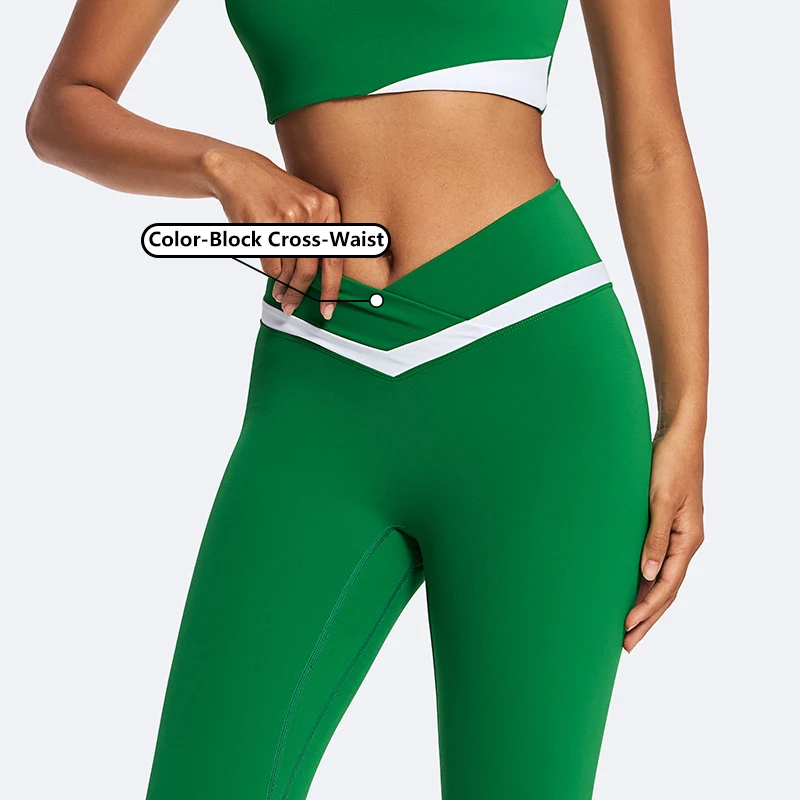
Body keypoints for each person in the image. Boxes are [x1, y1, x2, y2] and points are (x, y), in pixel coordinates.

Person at [26, 0, 708, 797]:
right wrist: (222, 164)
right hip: (320, 386)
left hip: (539, 387)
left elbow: (652, 150)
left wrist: (686, 419)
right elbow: (65, 106)